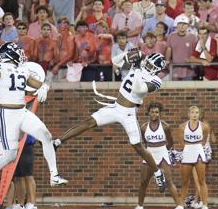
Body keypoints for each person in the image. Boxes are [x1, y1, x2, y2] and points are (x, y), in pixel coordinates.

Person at [53, 51, 167, 193]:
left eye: (151, 65)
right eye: (148, 62)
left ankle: (158, 173)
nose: (148, 65)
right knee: (89, 122)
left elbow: (138, 89)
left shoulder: (156, 80)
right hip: (116, 107)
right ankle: (57, 142)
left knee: (138, 146)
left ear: (157, 69)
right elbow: (115, 61)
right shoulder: (138, 67)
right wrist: (128, 54)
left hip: (129, 113)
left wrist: (136, 67)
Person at [0, 42, 68, 197]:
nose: (21, 54)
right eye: (17, 52)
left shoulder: (22, 69)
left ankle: (54, 175)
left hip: (22, 111)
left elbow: (36, 83)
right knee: (10, 155)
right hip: (7, 115)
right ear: (9, 54)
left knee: (46, 136)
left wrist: (44, 87)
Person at [134, 101, 184, 209]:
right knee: (143, 182)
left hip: (162, 153)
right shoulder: (143, 127)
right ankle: (140, 205)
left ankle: (179, 206)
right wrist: (148, 153)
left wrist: (163, 151)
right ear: (148, 113)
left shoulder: (166, 126)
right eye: (152, 112)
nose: (154, 114)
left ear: (160, 113)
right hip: (149, 154)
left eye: (157, 112)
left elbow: (170, 142)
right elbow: (143, 144)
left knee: (168, 180)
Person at [179, 106, 210, 209]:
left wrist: (197, 147)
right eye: (192, 112)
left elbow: (205, 139)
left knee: (201, 180)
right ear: (188, 114)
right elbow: (181, 142)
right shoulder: (182, 127)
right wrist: (188, 148)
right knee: (184, 181)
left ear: (199, 114)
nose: (195, 114)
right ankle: (180, 205)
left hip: (198, 151)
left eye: (197, 112)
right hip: (187, 152)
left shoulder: (204, 126)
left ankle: (205, 205)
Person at [13, 134, 37, 209]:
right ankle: (21, 205)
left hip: (26, 144)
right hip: (13, 145)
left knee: (28, 175)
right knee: (18, 176)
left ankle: (32, 204)